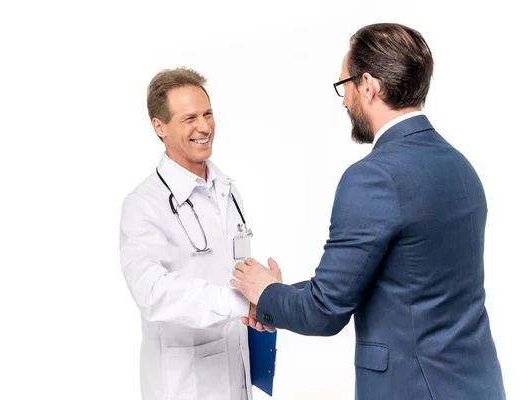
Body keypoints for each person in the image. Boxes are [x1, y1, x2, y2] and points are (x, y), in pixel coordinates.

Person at [232, 23, 506, 399]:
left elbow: (325, 311)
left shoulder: (373, 177)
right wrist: (274, 296)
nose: (343, 98)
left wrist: (265, 294)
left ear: (369, 85)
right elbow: (400, 283)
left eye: (344, 84)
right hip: (478, 385)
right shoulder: (460, 167)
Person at [119, 67, 262, 400]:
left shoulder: (227, 190)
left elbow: (236, 270)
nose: (204, 127)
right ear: (160, 127)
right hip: (185, 385)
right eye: (189, 119)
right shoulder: (144, 205)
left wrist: (263, 295)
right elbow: (152, 293)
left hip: (235, 373)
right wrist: (239, 303)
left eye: (207, 114)